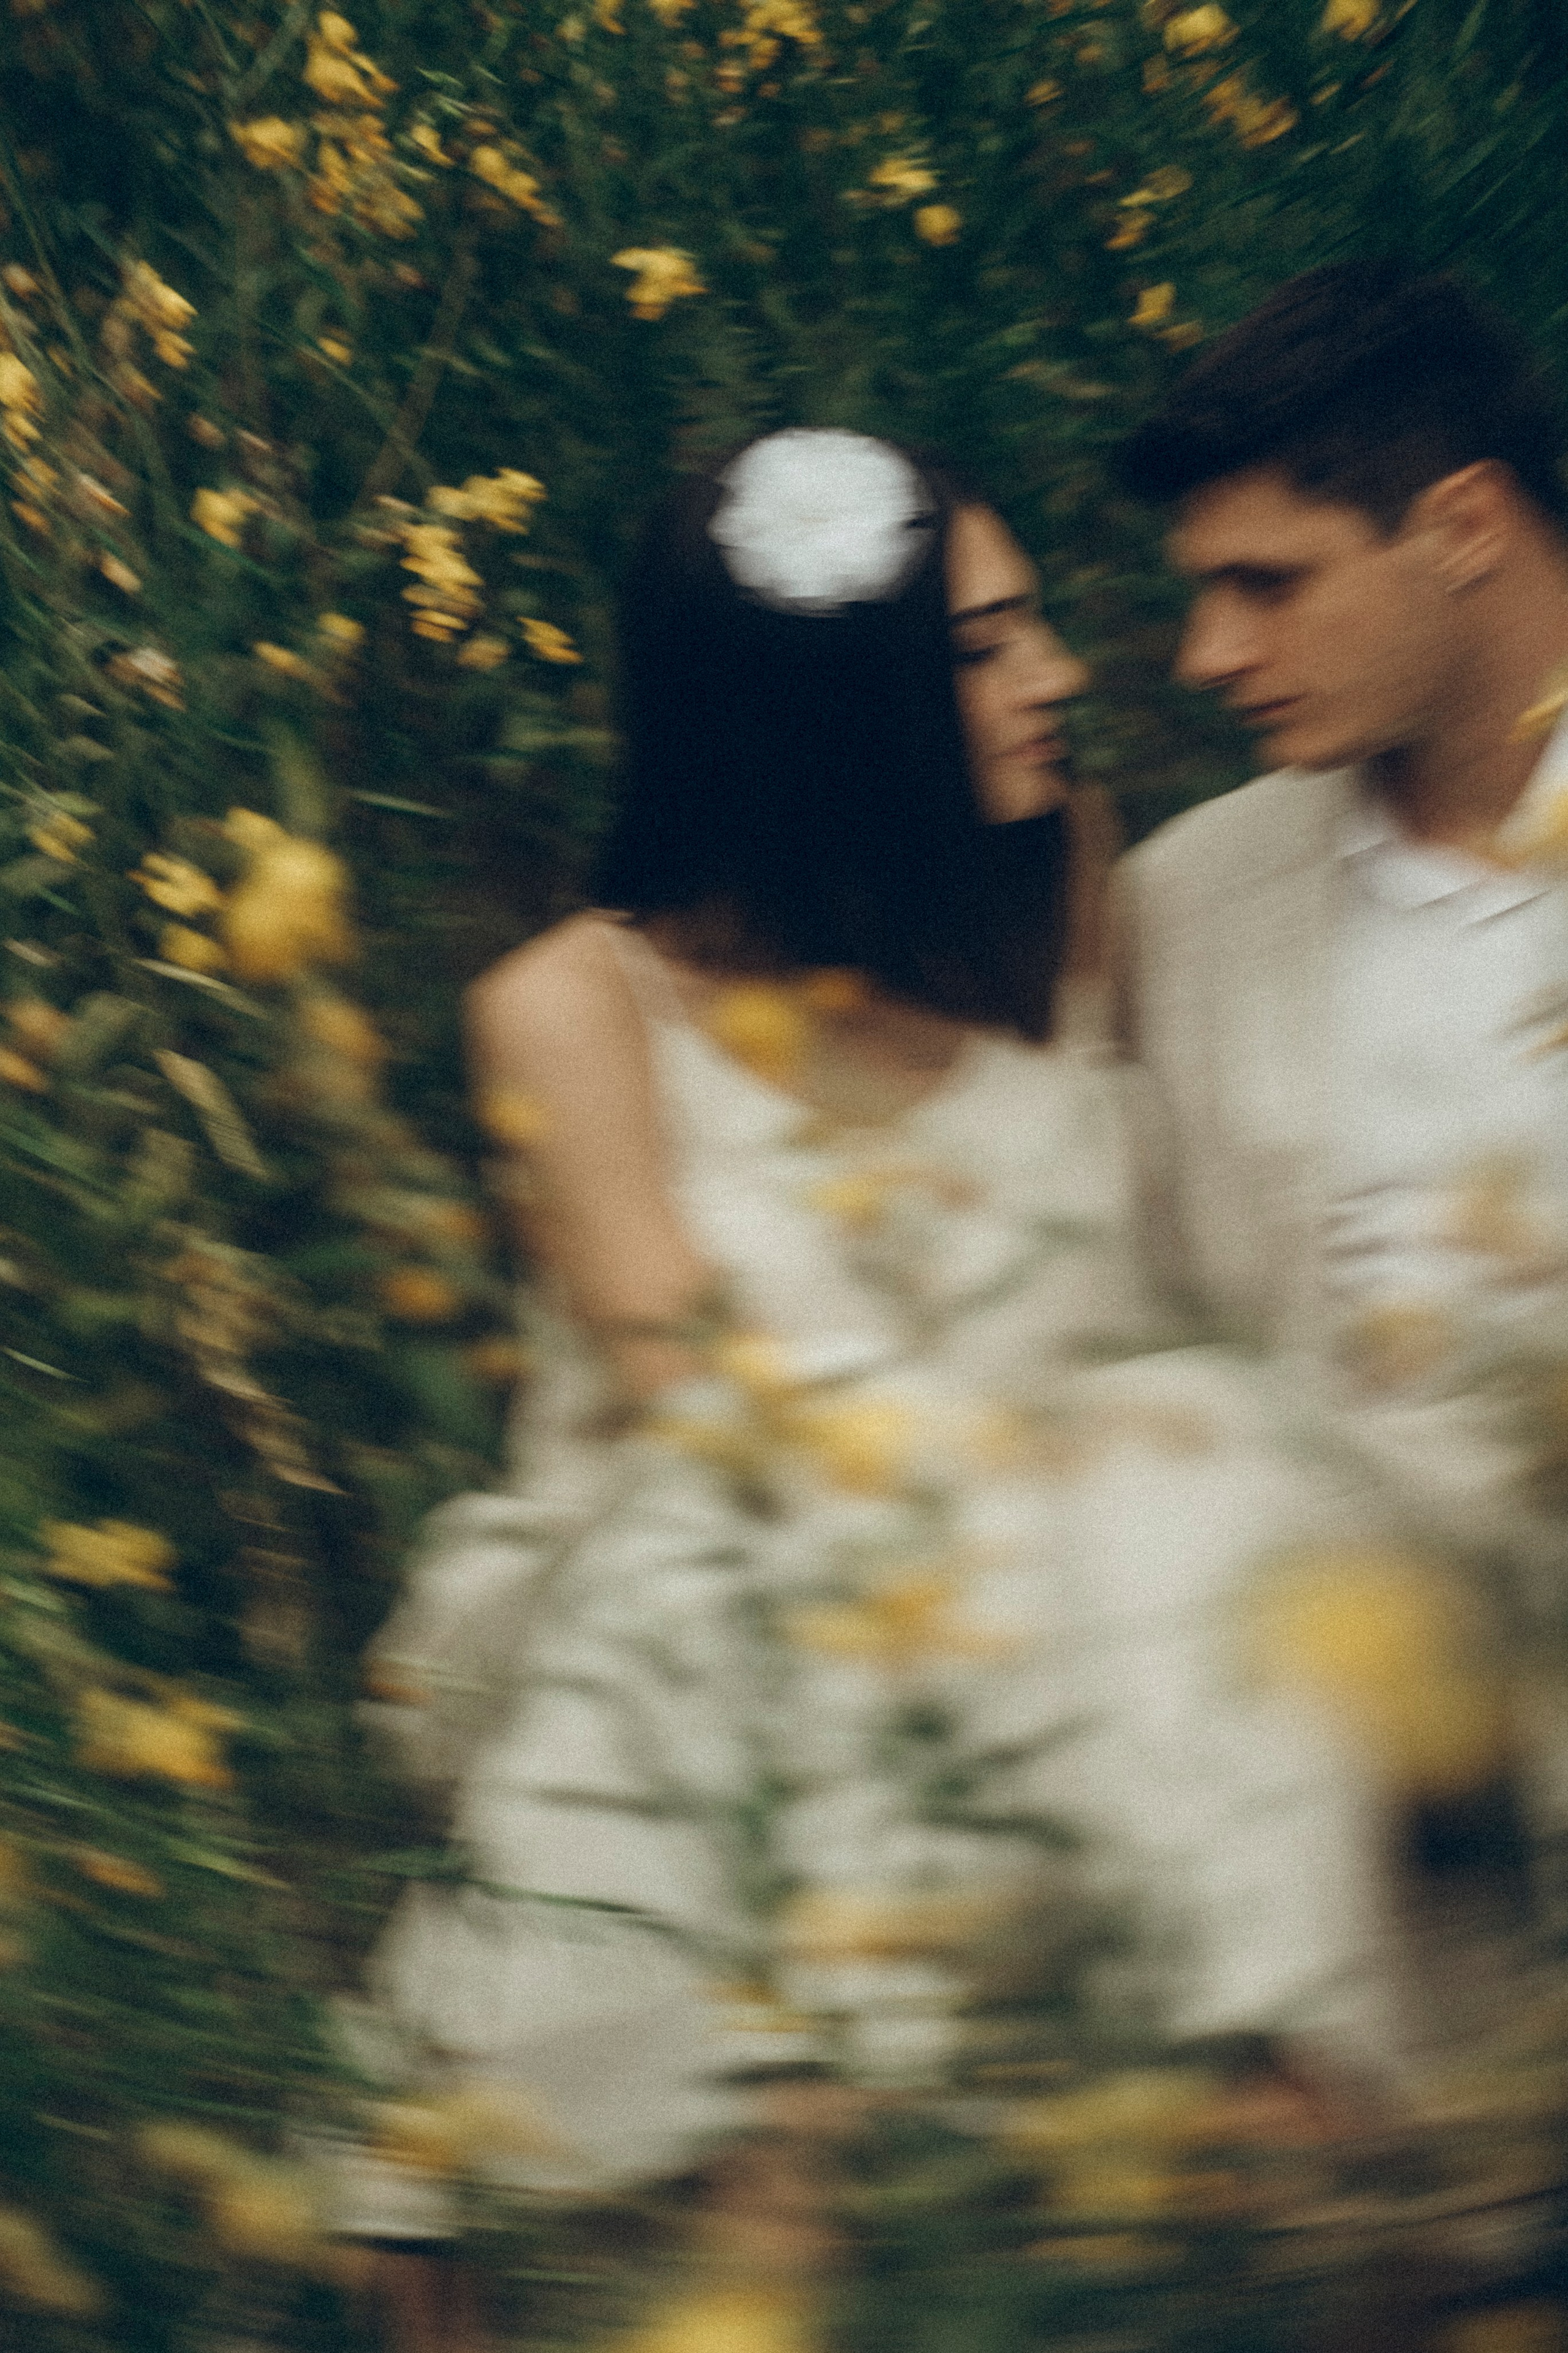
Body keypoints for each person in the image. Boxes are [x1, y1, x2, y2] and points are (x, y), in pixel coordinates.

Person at [344, 430, 1399, 2281]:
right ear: (821, 713)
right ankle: (794, 2140)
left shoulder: (1050, 903)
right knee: (786, 1548)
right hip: (709, 1603)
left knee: (1193, 1457)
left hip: (1082, 1609)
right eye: (983, 649)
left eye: (1034, 626)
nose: (1058, 678)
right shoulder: (576, 1005)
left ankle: (1270, 2103)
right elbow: (693, 1399)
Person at [1110, 265, 1568, 1815]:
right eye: (1201, 593)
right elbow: (1156, 1327)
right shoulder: (1187, 897)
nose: (1206, 652)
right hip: (1319, 1691)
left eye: (1267, 584)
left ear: (1462, 527)